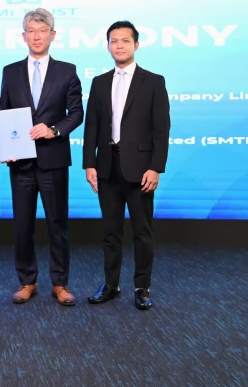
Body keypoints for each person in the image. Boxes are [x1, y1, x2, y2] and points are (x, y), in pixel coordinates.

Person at [82, 21, 170, 310]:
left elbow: (161, 130)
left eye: (125, 40)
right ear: (107, 46)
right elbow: (92, 127)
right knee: (110, 231)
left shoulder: (153, 81)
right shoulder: (99, 82)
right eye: (114, 41)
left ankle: (142, 288)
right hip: (107, 167)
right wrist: (89, 163)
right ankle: (111, 285)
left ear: (136, 45)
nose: (119, 45)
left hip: (141, 169)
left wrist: (156, 167)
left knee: (142, 232)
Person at [0, 8, 83, 306]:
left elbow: (76, 113)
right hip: (20, 162)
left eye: (42, 31)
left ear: (53, 35)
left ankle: (60, 283)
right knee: (23, 226)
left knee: (57, 225)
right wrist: (5, 144)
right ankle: (27, 281)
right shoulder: (10, 72)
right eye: (31, 31)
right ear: (23, 36)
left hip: (53, 160)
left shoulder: (67, 71)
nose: (37, 36)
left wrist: (54, 130)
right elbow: (5, 111)